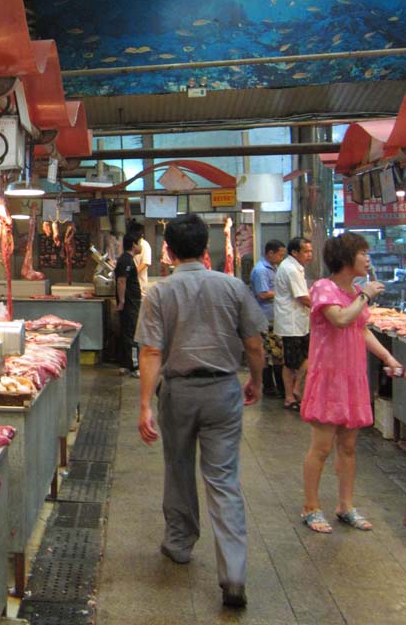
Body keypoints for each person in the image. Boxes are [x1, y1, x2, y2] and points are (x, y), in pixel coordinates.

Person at [135, 214, 265, 609]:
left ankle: (179, 543)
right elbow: (255, 342)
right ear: (206, 249)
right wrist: (256, 381)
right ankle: (234, 575)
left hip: (178, 392)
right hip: (224, 389)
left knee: (178, 467)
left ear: (169, 252)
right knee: (223, 479)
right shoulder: (233, 287)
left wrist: (144, 405)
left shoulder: (159, 293)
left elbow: (151, 351)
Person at [300, 233, 405, 534]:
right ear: (346, 258)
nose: (368, 258)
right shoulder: (324, 288)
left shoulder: (356, 292)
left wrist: (389, 358)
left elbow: (361, 330)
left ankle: (345, 505)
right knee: (321, 447)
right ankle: (310, 507)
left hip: (353, 377)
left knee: (348, 446)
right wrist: (366, 295)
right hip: (328, 378)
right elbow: (341, 319)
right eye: (362, 252)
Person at [274, 237, 313, 410]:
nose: (309, 255)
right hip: (292, 322)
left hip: (296, 321)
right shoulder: (291, 269)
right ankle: (294, 392)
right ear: (295, 252)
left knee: (292, 361)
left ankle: (292, 395)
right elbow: (303, 297)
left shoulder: (294, 267)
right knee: (299, 360)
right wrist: (325, 308)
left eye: (310, 251)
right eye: (306, 251)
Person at [250, 240, 286, 398]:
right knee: (268, 354)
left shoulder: (274, 268)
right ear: (270, 253)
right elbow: (262, 294)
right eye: (279, 255)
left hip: (275, 316)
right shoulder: (261, 271)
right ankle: (269, 387)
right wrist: (285, 293)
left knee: (277, 353)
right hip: (265, 318)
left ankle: (278, 386)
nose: (281, 258)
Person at [115, 232, 143, 376]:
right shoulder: (126, 260)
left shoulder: (126, 259)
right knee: (132, 334)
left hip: (130, 302)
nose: (141, 246)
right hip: (129, 303)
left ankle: (125, 365)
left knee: (126, 333)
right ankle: (134, 366)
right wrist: (122, 301)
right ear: (133, 244)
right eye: (139, 242)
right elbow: (121, 281)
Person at [128, 219, 152, 294]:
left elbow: (145, 263)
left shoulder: (144, 244)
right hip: (130, 285)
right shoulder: (129, 243)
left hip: (140, 285)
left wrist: (131, 274)